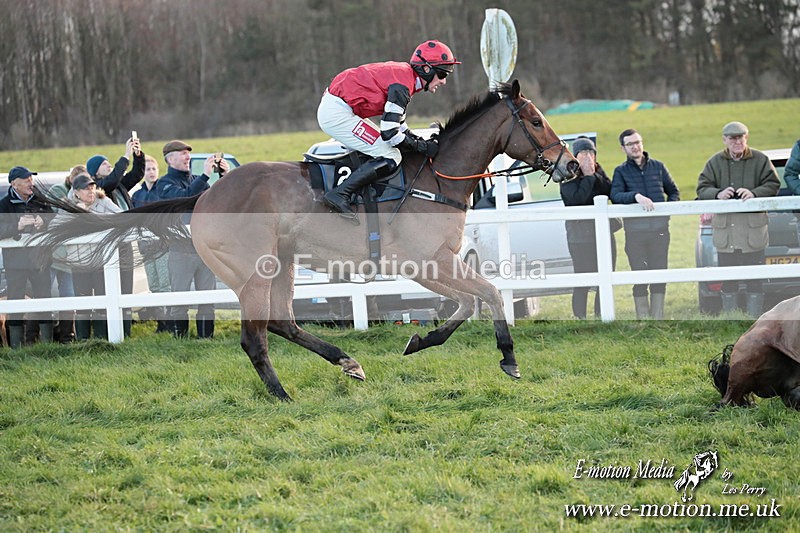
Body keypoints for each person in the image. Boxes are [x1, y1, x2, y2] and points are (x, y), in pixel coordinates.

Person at [317, 40, 460, 222]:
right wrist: (421, 147)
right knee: (391, 156)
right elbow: (390, 134)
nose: (443, 81)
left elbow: (400, 126)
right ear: (426, 69)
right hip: (336, 113)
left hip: (340, 106)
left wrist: (421, 142)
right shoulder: (402, 85)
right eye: (441, 74)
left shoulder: (406, 78)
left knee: (387, 150)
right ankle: (339, 195)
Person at [696, 121, 780, 317]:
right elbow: (701, 189)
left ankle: (754, 320)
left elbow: (773, 184)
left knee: (755, 280)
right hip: (727, 233)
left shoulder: (760, 159)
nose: (737, 142)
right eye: (732, 138)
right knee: (729, 279)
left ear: (746, 138)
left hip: (753, 232)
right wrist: (718, 193)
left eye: (740, 137)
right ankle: (731, 319)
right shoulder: (714, 162)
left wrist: (754, 193)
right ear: (725, 140)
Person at [156, 140, 228, 338]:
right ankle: (181, 340)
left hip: (203, 249)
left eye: (188, 154)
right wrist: (205, 175)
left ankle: (206, 339)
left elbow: (218, 199)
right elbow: (183, 199)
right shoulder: (164, 184)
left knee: (207, 298)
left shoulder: (197, 179)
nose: (188, 157)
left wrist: (223, 175)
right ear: (170, 159)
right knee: (180, 300)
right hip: (180, 251)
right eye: (183, 154)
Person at [610, 129, 680, 319]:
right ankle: (643, 319)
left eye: (638, 142)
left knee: (659, 274)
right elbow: (615, 196)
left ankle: (658, 319)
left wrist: (667, 212)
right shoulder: (620, 172)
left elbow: (673, 191)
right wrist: (635, 196)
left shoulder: (658, 167)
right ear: (623, 148)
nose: (636, 147)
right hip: (635, 234)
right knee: (639, 276)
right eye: (631, 144)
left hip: (660, 231)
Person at [86, 137, 145, 337]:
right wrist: (125, 155)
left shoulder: (118, 186)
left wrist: (138, 155)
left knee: (126, 290)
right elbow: (111, 181)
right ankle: (106, 335)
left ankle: (125, 333)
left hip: (125, 245)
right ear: (94, 172)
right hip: (108, 248)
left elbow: (137, 175)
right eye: (104, 164)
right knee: (108, 290)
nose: (109, 165)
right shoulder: (101, 186)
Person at [58, 173, 123, 340]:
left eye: (92, 187)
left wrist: (95, 219)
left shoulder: (103, 201)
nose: (91, 191)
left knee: (103, 299)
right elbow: (56, 225)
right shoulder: (67, 206)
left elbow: (121, 216)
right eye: (86, 189)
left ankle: (103, 338)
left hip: (101, 261)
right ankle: (83, 340)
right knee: (82, 301)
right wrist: (79, 214)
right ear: (76, 192)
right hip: (79, 262)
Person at [559, 137, 617, 319]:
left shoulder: (598, 171)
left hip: (604, 234)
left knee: (607, 274)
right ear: (575, 156)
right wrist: (589, 177)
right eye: (583, 153)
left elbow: (610, 190)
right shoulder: (566, 175)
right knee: (583, 278)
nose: (588, 156)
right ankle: (580, 317)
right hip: (580, 238)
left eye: (591, 152)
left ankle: (601, 314)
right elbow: (577, 200)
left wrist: (595, 175)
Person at [0, 166, 55, 347]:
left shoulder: (40, 200)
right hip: (15, 263)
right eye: (26, 179)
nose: (30, 182)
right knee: (15, 302)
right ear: (14, 184)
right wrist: (17, 226)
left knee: (44, 299)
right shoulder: (4, 204)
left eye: (31, 178)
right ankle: (17, 348)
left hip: (40, 259)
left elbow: (54, 217)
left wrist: (44, 221)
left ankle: (47, 345)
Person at [47, 165, 88, 343]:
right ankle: (39, 336)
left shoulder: (88, 199)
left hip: (70, 258)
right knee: (43, 293)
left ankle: (67, 336)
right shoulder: (59, 192)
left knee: (69, 295)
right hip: (54, 255)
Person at [131, 154, 171, 333]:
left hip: (162, 245)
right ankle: (161, 322)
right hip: (145, 246)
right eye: (148, 169)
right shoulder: (137, 195)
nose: (152, 172)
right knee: (153, 286)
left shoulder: (162, 192)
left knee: (165, 285)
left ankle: (170, 322)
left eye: (154, 169)